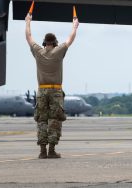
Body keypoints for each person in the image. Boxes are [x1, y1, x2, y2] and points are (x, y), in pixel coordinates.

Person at [25, 13, 79, 159]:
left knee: (42, 120)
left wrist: (27, 22)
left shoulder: (38, 51)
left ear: (44, 43)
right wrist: (75, 26)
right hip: (55, 90)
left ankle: (42, 151)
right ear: (55, 43)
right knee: (54, 120)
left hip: (41, 90)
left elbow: (29, 37)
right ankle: (52, 150)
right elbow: (70, 39)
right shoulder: (58, 51)